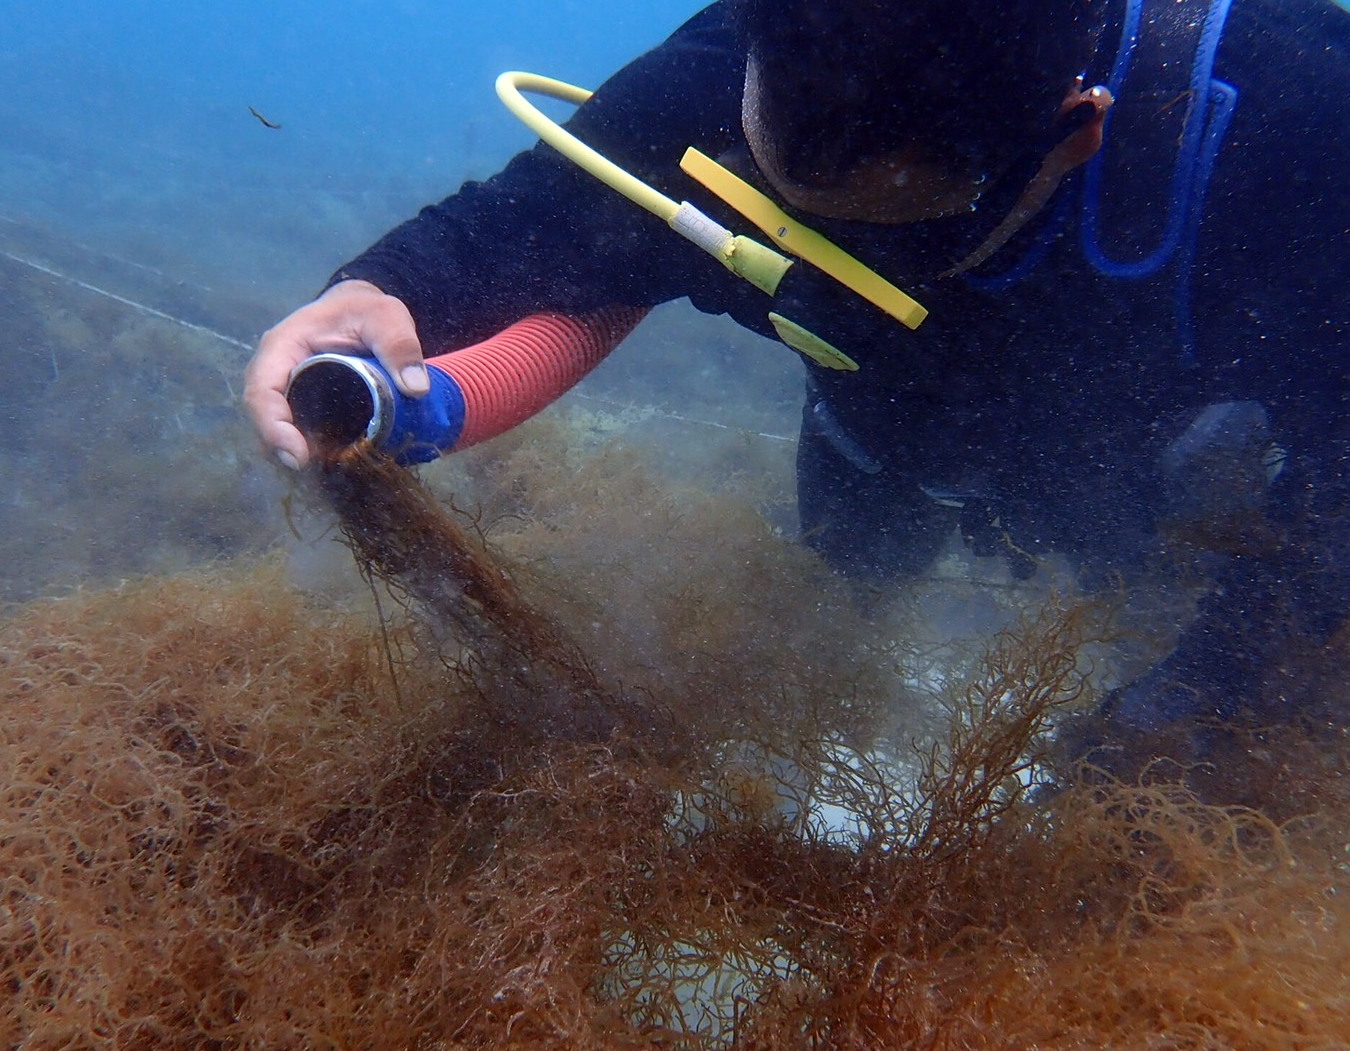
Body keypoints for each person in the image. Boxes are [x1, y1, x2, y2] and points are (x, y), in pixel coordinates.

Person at [244, 0, 1350, 756]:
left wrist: (1210, 686)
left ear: (1073, 137)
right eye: (783, 201)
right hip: (879, 435)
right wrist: (384, 286)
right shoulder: (751, 51)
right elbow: (552, 228)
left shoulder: (1302, 128)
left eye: (891, 243)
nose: (820, 260)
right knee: (842, 577)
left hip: (1142, 460)